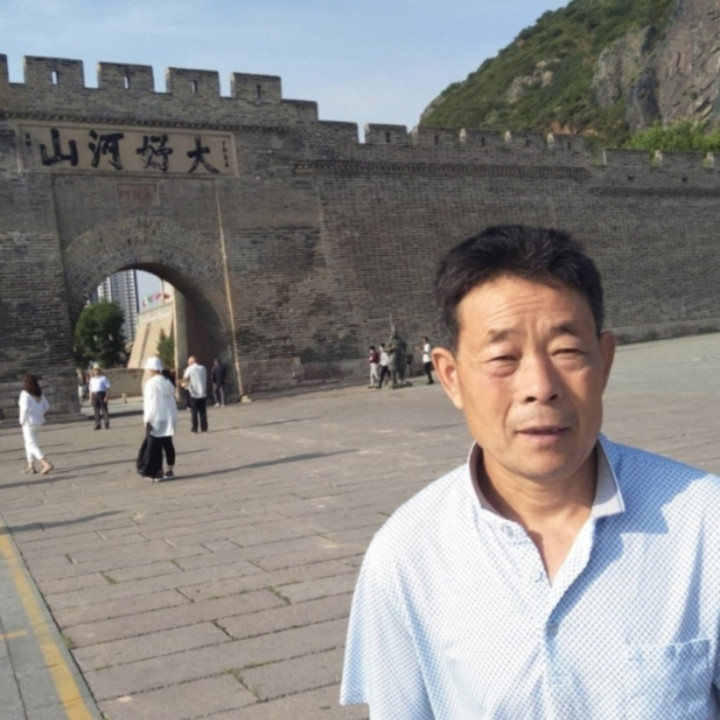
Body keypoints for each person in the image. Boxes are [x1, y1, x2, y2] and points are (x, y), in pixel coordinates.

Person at [341, 224, 720, 718]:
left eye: (567, 351)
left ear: (604, 362)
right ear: (451, 377)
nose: (540, 386)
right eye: (503, 357)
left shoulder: (705, 525)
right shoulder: (407, 555)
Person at [142, 356, 178, 481]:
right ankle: (170, 470)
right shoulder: (168, 383)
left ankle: (158, 471)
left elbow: (149, 403)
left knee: (155, 446)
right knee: (168, 444)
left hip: (156, 417)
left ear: (152, 370)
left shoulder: (150, 384)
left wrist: (147, 419)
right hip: (168, 417)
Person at [18, 373, 53, 475]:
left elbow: (24, 408)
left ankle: (45, 463)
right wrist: (39, 413)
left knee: (32, 444)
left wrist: (21, 420)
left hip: (28, 422)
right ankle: (31, 465)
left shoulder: (24, 394)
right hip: (38, 421)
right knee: (29, 443)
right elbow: (47, 406)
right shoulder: (39, 394)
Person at [183, 356, 208, 433]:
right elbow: (205, 378)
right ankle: (204, 428)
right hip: (202, 393)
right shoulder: (203, 368)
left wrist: (183, 385)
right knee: (203, 412)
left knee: (194, 412)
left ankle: (194, 429)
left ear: (191, 362)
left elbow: (185, 380)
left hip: (193, 393)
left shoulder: (189, 369)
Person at [88, 364, 111, 429]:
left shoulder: (103, 378)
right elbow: (90, 390)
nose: (96, 372)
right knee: (96, 410)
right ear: (93, 371)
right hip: (94, 394)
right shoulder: (92, 380)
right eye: (95, 370)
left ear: (99, 371)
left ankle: (106, 423)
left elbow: (108, 388)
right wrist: (90, 398)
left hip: (102, 394)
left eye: (97, 370)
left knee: (104, 409)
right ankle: (98, 424)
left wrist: (106, 396)